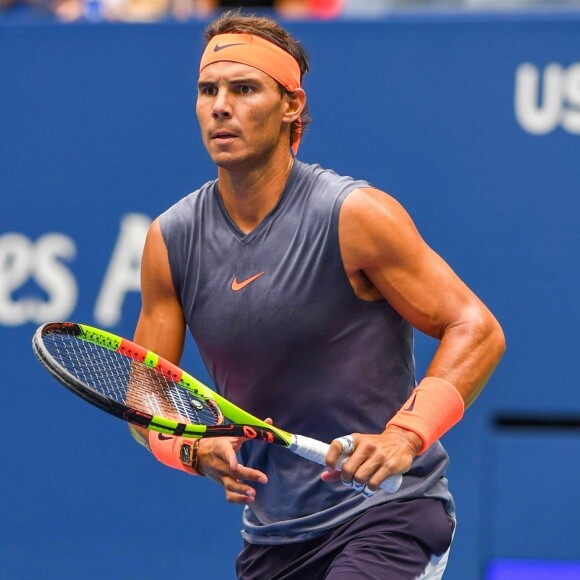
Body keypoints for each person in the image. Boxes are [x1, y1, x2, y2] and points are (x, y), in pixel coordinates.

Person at [129, 9, 505, 579]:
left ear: (291, 106)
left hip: (387, 516)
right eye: (208, 90)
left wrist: (405, 436)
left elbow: (476, 329)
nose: (220, 107)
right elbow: (143, 394)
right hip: (273, 538)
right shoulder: (170, 239)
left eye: (244, 88)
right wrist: (189, 450)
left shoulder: (356, 216)